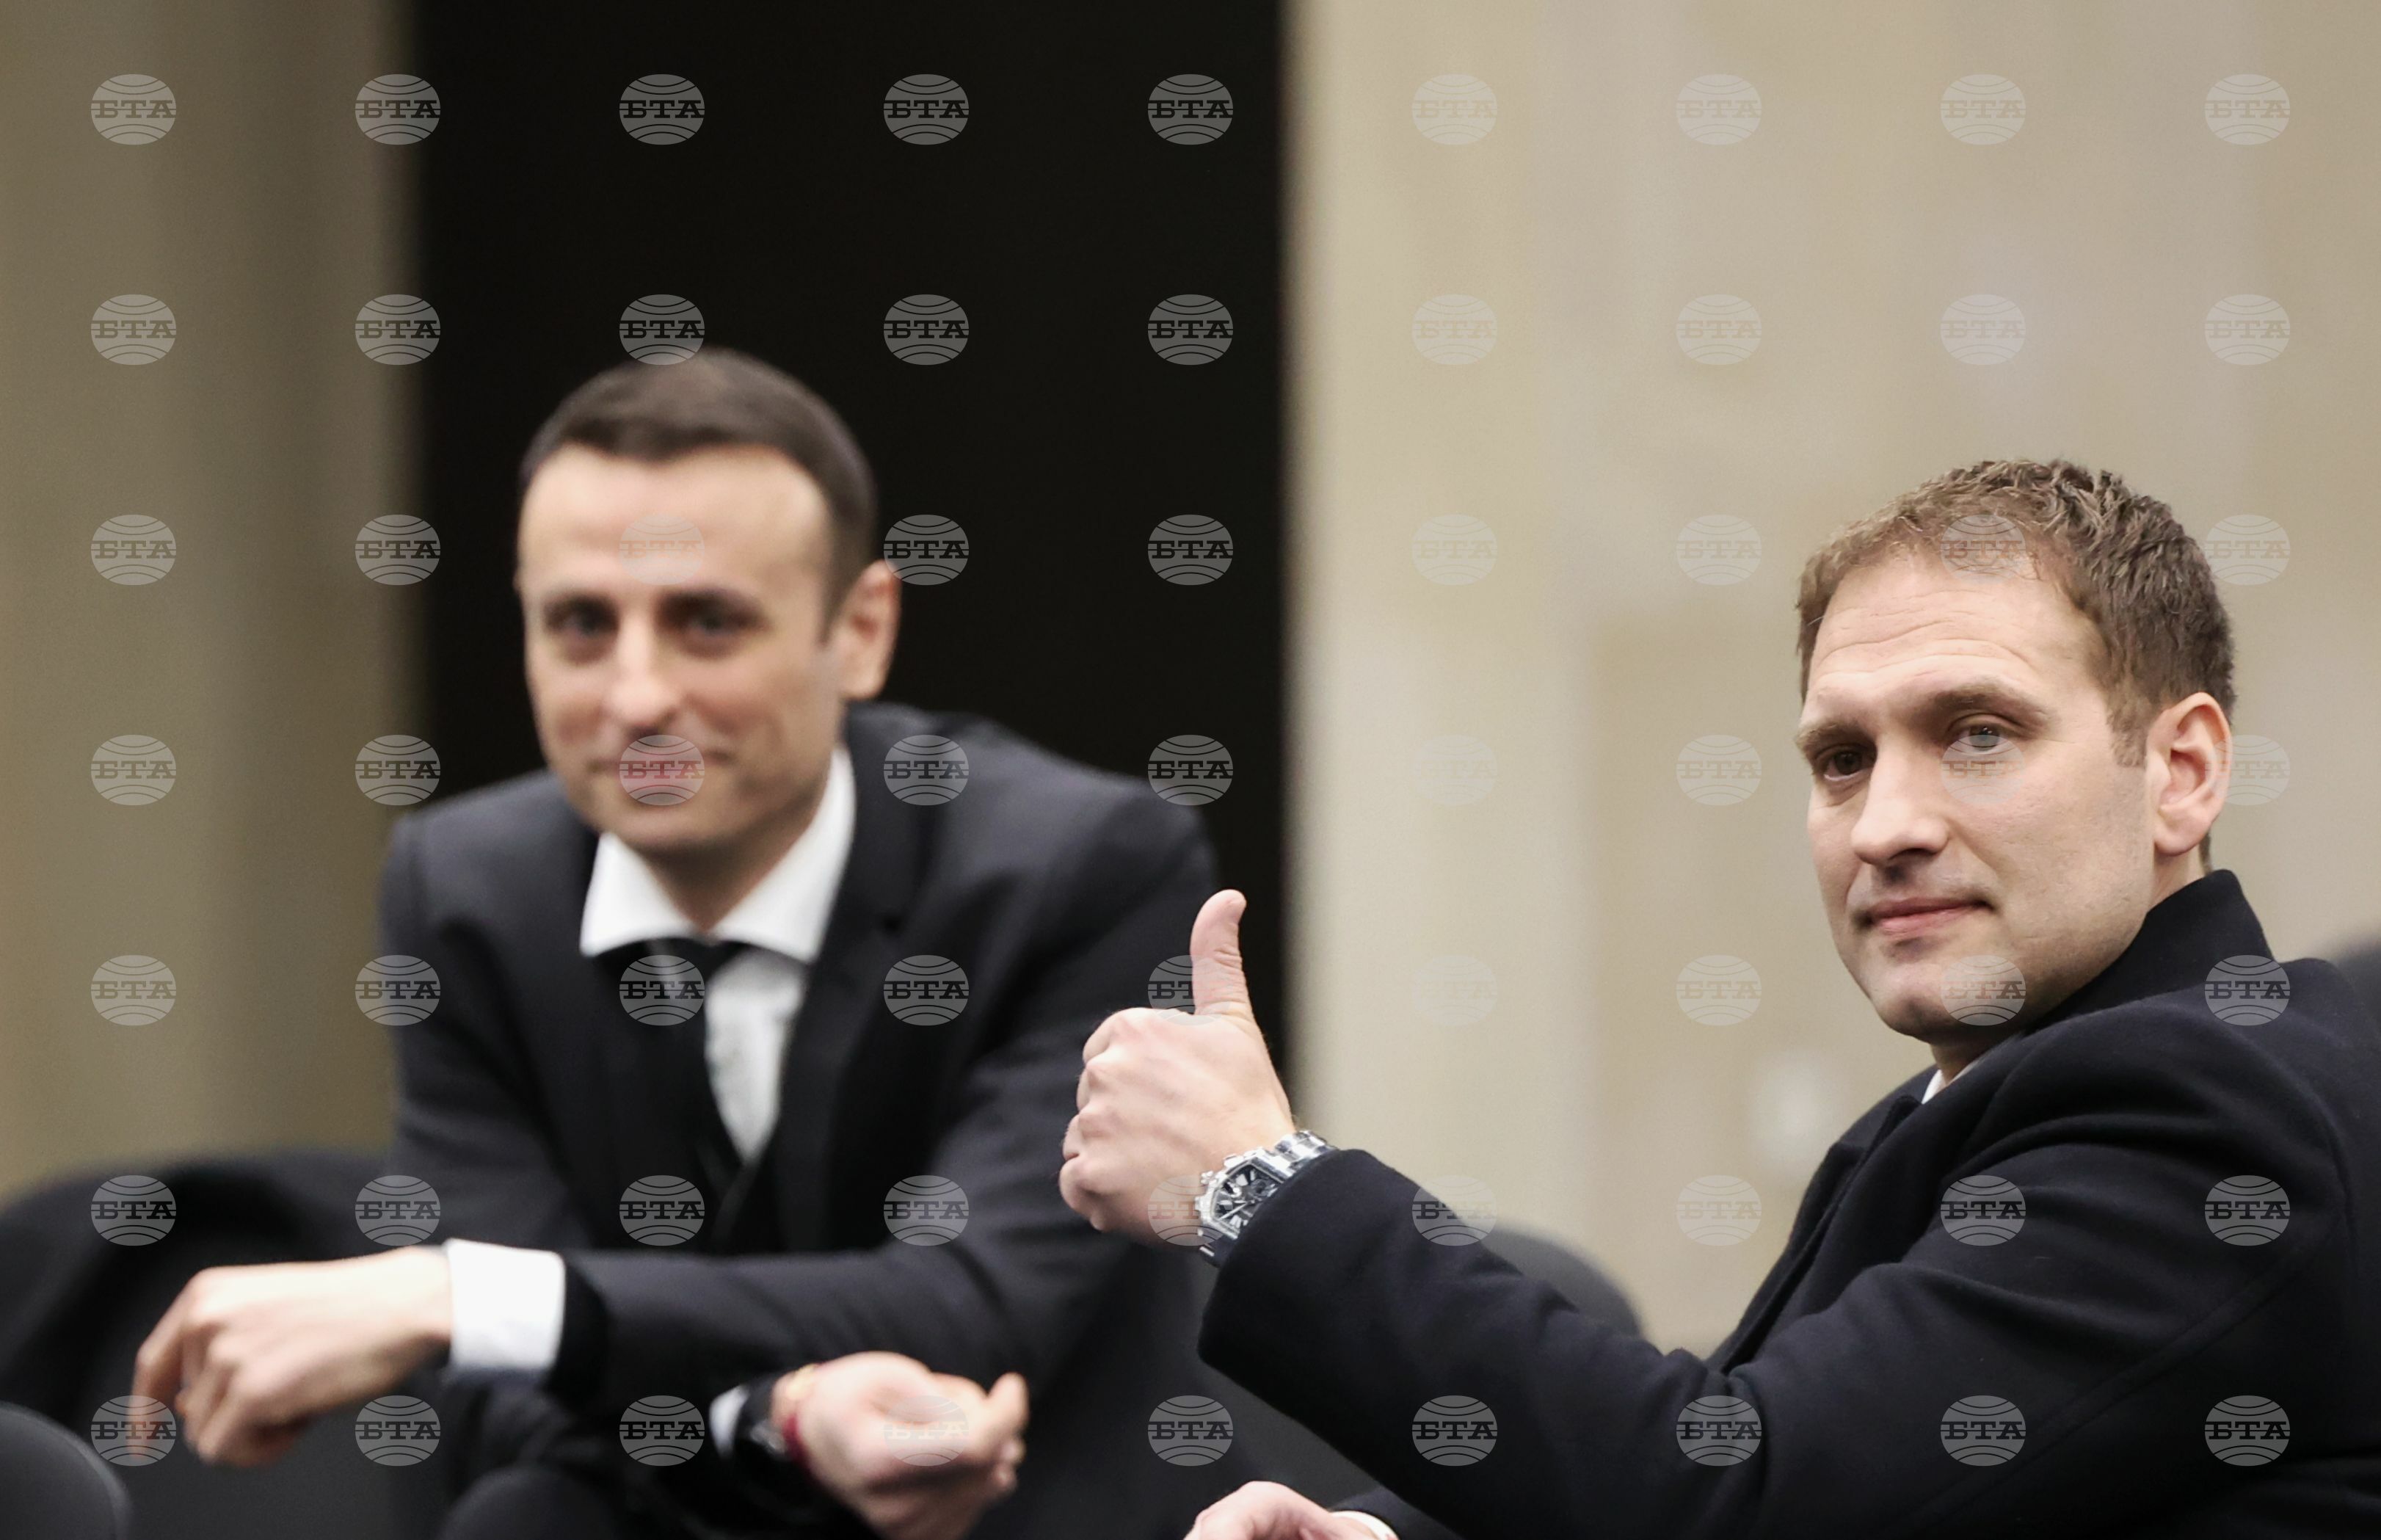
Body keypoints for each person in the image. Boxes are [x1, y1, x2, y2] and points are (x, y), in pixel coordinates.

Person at [1062, 459, 2381, 1539]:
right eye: (1843, 757)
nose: (1888, 824)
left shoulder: (2211, 1103)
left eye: (1978, 733)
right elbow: (1776, 1431)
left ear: (2182, 771)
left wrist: (1256, 1183)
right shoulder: (1991, 1092)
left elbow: (1734, 1498)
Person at [131, 349, 1257, 1539]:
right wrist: (773, 1417)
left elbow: (971, 1305)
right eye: (580, 624)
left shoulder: (1081, 868)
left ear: (861, 630)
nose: (635, 697)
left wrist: (464, 1292)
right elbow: (495, 1402)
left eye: (706, 622)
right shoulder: (464, 891)